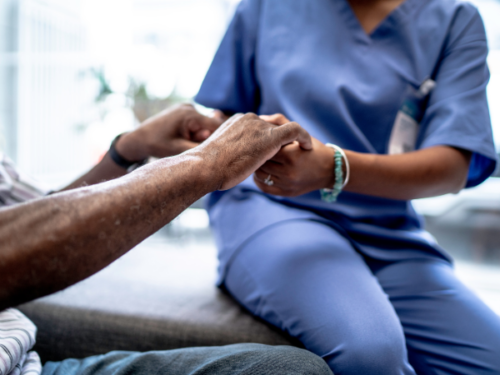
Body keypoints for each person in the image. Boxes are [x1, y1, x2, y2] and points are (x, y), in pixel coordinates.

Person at [195, 0, 500, 374]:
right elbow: (223, 123)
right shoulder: (267, 7)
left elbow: (453, 165)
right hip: (272, 210)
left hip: (386, 231)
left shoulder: (453, 19)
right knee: (371, 354)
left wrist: (333, 168)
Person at [0, 104, 333, 375]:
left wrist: (127, 148)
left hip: (28, 365)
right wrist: (203, 165)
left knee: (293, 370)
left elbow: (36, 219)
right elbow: (20, 246)